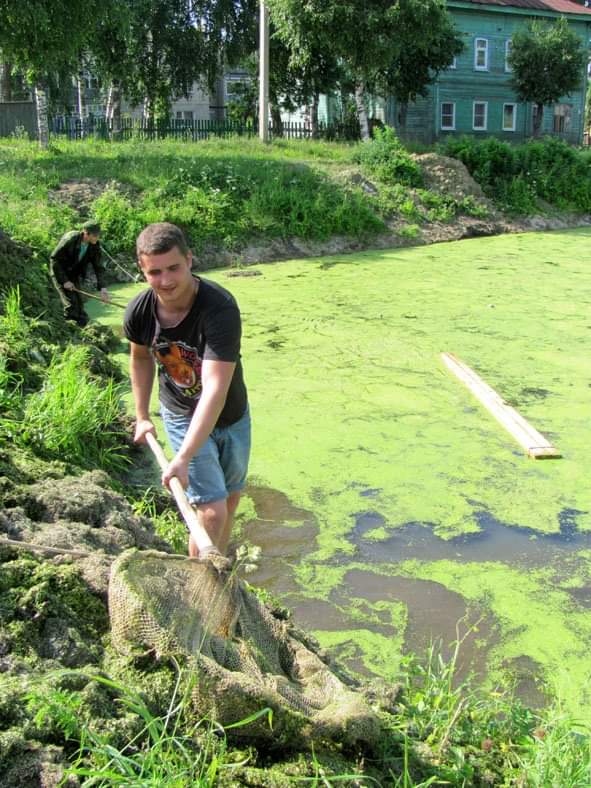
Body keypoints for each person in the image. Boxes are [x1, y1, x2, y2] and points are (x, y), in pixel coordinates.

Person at [123, 222, 250, 558]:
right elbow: (140, 358)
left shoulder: (219, 307)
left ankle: (217, 571)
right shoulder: (140, 312)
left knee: (230, 499)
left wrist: (183, 458)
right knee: (211, 512)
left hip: (231, 414)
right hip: (181, 413)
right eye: (155, 272)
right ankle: (197, 584)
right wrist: (142, 416)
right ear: (142, 270)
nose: (166, 281)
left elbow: (215, 388)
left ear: (189, 260)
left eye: (173, 268)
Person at [50, 220, 110, 326]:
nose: (97, 238)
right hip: (60, 272)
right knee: (71, 304)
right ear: (86, 233)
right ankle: (70, 329)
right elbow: (55, 260)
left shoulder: (94, 245)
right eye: (95, 235)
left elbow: (98, 267)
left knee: (79, 306)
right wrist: (65, 281)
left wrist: (103, 288)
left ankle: (85, 329)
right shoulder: (70, 240)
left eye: (98, 235)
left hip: (73, 273)